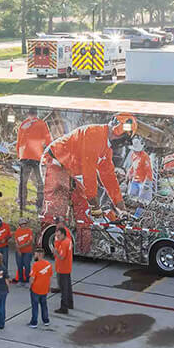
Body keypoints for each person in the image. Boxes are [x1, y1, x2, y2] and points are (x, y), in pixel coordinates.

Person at [41, 113, 133, 252]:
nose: (122, 142)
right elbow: (89, 174)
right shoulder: (93, 134)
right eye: (123, 138)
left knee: (84, 211)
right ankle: (44, 244)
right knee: (57, 207)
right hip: (54, 162)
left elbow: (109, 178)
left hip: (69, 171)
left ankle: (84, 250)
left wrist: (121, 208)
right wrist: (95, 205)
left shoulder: (106, 149)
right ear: (117, 130)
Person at [16, 108, 50, 212]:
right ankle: (39, 204)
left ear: (28, 114)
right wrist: (49, 155)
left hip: (25, 157)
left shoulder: (23, 124)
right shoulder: (42, 123)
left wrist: (19, 155)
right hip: (36, 157)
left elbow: (18, 142)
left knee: (23, 182)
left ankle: (22, 203)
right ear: (36, 114)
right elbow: (48, 140)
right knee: (40, 182)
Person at [27, 254, 54, 328]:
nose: (34, 256)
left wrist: (30, 285)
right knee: (44, 305)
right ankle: (46, 320)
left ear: (39, 255)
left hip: (36, 289)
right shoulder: (49, 264)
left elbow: (32, 278)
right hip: (44, 289)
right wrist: (48, 286)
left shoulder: (35, 265)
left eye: (35, 254)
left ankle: (34, 322)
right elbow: (50, 276)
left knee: (35, 306)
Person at [53, 226, 74, 314]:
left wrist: (55, 252)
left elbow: (61, 257)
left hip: (63, 268)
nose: (57, 238)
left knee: (63, 288)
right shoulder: (68, 240)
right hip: (67, 267)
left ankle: (64, 307)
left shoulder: (64, 243)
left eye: (58, 236)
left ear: (63, 234)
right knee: (68, 287)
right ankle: (70, 303)